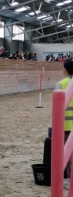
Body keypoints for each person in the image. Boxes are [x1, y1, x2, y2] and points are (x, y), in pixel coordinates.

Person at [55, 59, 73, 190]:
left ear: (66, 70)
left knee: (66, 154)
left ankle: (68, 179)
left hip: (65, 125)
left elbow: (56, 108)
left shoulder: (61, 84)